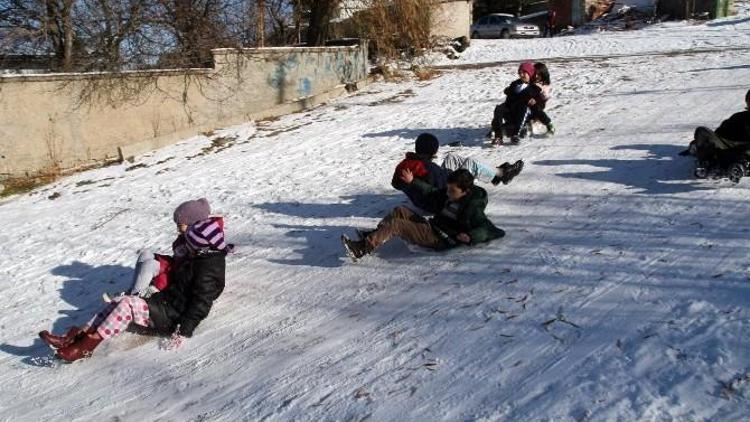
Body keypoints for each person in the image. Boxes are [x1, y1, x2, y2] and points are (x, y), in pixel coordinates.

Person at [38, 199, 230, 362]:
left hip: (171, 320)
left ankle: (87, 347)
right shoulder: (199, 259)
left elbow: (201, 304)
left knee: (126, 304)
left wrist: (184, 331)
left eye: (191, 244)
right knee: (119, 302)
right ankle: (74, 337)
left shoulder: (208, 269)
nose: (186, 246)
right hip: (165, 306)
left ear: (201, 246)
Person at [343, 169, 506, 260]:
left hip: (440, 238)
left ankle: (361, 249)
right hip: (432, 227)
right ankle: (375, 234)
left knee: (397, 225)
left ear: (466, 191)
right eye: (448, 189)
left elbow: (488, 228)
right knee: (400, 210)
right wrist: (413, 181)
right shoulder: (450, 194)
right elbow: (432, 191)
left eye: (452, 190)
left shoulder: (473, 207)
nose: (448, 193)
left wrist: (471, 236)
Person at [392, 133, 524, 212]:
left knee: (451, 158)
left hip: (424, 200)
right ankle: (501, 174)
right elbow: (441, 188)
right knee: (472, 164)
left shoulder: (409, 164)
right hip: (443, 198)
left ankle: (495, 176)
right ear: (433, 150)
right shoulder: (428, 168)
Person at [680, 89, 750, 178]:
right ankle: (707, 164)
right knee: (702, 131)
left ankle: (739, 167)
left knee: (744, 152)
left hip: (746, 152)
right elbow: (717, 135)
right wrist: (699, 143)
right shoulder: (738, 117)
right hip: (728, 146)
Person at [491, 62, 537, 145]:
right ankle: (498, 136)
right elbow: (509, 96)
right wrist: (508, 91)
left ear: (530, 73)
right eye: (520, 73)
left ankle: (516, 135)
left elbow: (536, 100)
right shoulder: (515, 83)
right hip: (510, 110)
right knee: (499, 108)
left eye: (524, 72)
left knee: (524, 107)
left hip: (522, 115)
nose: (521, 75)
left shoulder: (534, 87)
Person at [524, 62, 555, 136]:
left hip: (539, 104)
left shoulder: (545, 85)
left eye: (539, 74)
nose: (536, 76)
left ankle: (549, 125)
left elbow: (545, 97)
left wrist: (536, 99)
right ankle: (527, 125)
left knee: (535, 108)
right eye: (535, 74)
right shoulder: (530, 82)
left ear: (543, 74)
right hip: (528, 102)